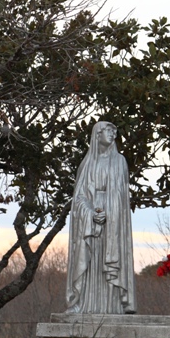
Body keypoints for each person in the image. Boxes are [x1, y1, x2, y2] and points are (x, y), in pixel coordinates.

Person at [64, 121, 136, 314]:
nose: (113, 135)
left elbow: (121, 194)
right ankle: (83, 305)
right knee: (90, 260)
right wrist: (91, 213)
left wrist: (108, 212)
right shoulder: (86, 164)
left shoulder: (120, 161)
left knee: (108, 263)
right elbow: (79, 197)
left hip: (112, 221)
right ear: (97, 135)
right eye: (108, 131)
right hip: (92, 220)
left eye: (115, 131)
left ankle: (112, 307)